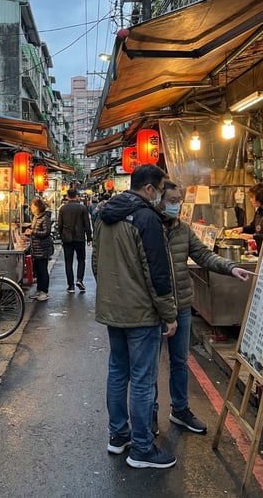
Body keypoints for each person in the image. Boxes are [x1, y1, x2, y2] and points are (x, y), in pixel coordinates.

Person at [92, 164, 178, 470]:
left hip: (113, 310)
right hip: (141, 314)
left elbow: (96, 264)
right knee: (143, 380)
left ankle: (118, 436)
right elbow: (157, 273)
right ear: (150, 189)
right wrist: (169, 314)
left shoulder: (104, 216)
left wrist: (112, 296)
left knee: (117, 372)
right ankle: (141, 448)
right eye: (161, 190)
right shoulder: (146, 218)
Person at [155, 181, 250, 435]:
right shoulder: (147, 228)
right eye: (172, 200)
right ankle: (149, 415)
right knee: (149, 366)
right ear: (158, 200)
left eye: (179, 201)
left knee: (179, 361)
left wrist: (230, 267)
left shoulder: (183, 230)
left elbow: (204, 255)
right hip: (153, 309)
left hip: (182, 305)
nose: (177, 205)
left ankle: (181, 410)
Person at [57, 187, 92, 293]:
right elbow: (87, 224)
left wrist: (61, 235)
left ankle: (71, 285)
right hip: (80, 237)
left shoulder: (63, 209)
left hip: (67, 238)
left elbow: (60, 225)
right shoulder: (82, 208)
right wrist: (89, 237)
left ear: (67, 196)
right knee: (81, 260)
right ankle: (79, 279)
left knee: (68, 262)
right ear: (77, 196)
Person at [24, 198, 53, 301]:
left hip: (42, 249)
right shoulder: (36, 217)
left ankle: (44, 291)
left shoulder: (45, 218)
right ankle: (39, 290)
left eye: (33, 206)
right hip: (36, 248)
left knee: (43, 270)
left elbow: (46, 232)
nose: (31, 209)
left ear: (38, 207)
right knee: (38, 271)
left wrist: (33, 233)